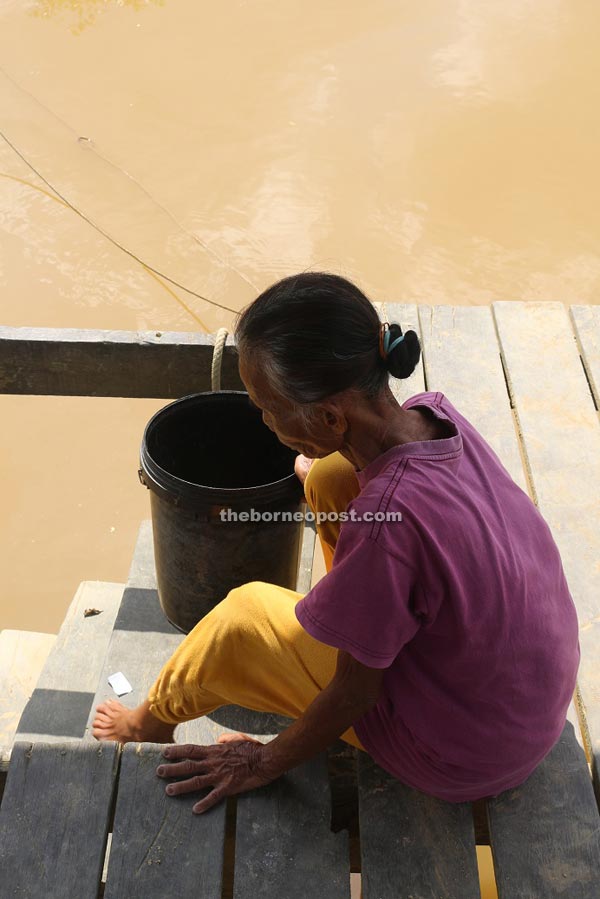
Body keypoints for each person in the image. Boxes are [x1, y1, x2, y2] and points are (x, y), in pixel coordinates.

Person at [92, 272, 580, 815]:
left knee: (243, 616)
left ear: (327, 417)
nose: (262, 418)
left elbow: (356, 694)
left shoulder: (384, 527)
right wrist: (321, 469)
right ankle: (353, 617)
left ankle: (146, 722)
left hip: (462, 756)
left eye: (268, 408)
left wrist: (262, 760)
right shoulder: (436, 416)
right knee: (326, 478)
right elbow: (383, 500)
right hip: (527, 705)